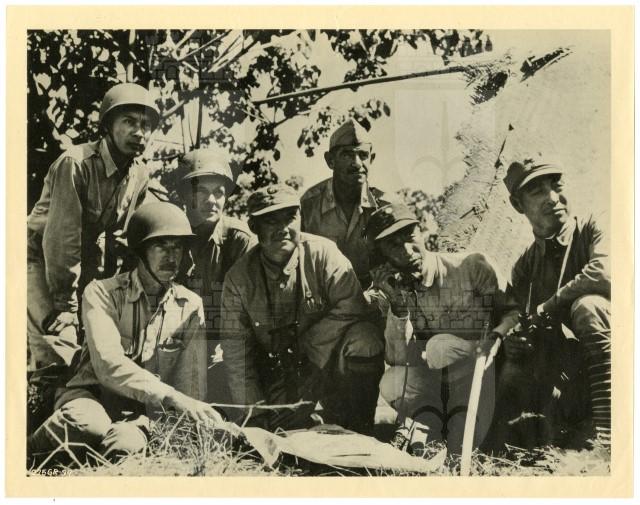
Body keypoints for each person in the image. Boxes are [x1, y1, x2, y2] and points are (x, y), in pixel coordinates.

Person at [27, 202, 223, 465]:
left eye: (177, 247)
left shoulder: (190, 305)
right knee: (87, 425)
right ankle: (23, 456)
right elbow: (108, 365)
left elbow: (189, 386)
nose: (171, 256)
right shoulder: (102, 293)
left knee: (126, 445)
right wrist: (170, 396)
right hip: (91, 397)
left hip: (142, 411)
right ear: (141, 250)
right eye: (161, 246)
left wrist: (176, 420)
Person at [221, 184, 384, 434]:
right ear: (253, 227)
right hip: (282, 374)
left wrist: (310, 348)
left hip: (328, 360)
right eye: (271, 221)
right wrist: (254, 414)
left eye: (290, 217)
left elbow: (353, 306)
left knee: (365, 340)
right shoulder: (238, 279)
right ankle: (313, 420)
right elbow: (236, 353)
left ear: (300, 219)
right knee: (277, 431)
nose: (283, 229)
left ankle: (360, 426)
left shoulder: (324, 253)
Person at [27, 82, 160, 385]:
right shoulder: (75, 163)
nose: (139, 132)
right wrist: (66, 306)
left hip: (83, 259)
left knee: (94, 343)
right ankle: (42, 405)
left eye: (146, 125)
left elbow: (122, 238)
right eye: (129, 122)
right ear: (107, 126)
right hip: (38, 256)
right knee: (58, 343)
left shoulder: (139, 174)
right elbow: (62, 239)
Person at [364, 202, 512, 453]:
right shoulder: (397, 293)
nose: (407, 250)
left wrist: (495, 338)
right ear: (383, 257)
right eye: (393, 245)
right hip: (444, 384)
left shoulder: (471, 266)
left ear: (421, 232)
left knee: (438, 347)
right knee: (392, 382)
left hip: (489, 371)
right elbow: (397, 359)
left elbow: (512, 312)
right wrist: (399, 308)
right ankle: (435, 427)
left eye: (410, 236)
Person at [488, 159, 610, 448]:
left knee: (588, 308)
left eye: (557, 185)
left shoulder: (594, 226)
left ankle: (608, 433)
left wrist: (548, 306)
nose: (553, 198)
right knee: (512, 360)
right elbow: (520, 318)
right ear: (517, 205)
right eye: (537, 191)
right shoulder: (525, 267)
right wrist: (515, 340)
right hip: (576, 369)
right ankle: (499, 443)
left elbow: (604, 274)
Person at [176, 148, 255, 403]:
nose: (212, 200)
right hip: (178, 341)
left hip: (227, 342)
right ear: (185, 195)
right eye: (202, 191)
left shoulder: (239, 239)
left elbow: (250, 308)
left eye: (219, 193)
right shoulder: (170, 234)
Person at [301, 119, 389, 288]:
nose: (357, 163)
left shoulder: (385, 205)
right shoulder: (309, 206)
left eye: (363, 155)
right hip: (323, 294)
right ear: (330, 160)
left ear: (372, 159)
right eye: (347, 154)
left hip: (372, 295)